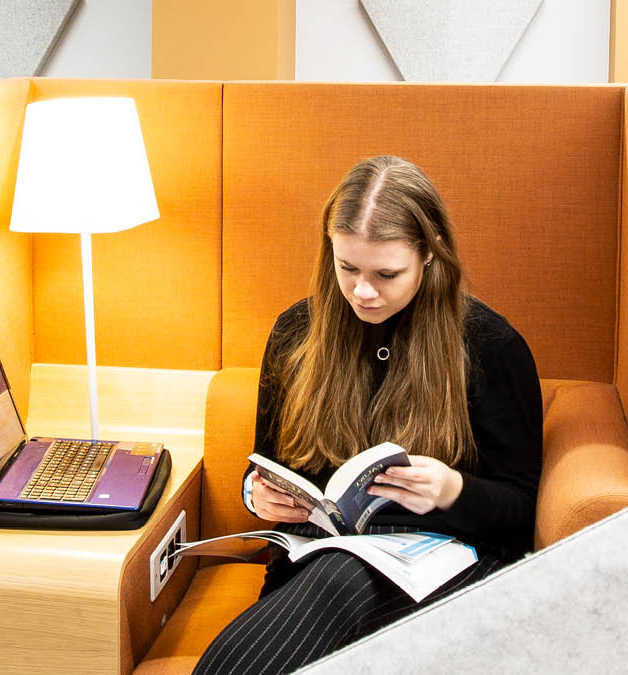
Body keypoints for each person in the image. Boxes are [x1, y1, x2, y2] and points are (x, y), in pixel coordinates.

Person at [193, 156, 543, 675]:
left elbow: (521, 513)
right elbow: (264, 461)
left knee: (339, 581)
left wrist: (452, 490)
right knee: (335, 577)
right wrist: (256, 493)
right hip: (319, 562)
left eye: (387, 274)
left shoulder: (491, 346)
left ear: (430, 254)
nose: (362, 291)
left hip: (443, 565)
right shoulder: (298, 333)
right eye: (347, 268)